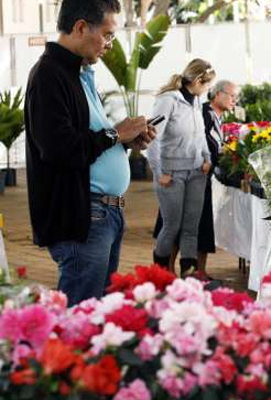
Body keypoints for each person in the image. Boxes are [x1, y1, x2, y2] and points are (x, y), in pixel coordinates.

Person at [24, 0, 156, 306]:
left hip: (103, 215)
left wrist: (125, 142)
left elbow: (87, 140)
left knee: (97, 318)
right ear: (81, 27)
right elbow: (59, 148)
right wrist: (116, 133)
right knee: (80, 320)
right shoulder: (49, 75)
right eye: (108, 35)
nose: (110, 44)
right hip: (82, 217)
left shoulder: (78, 74)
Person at [152, 80, 238, 278]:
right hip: (181, 174)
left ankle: (195, 272)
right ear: (217, 94)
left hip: (199, 178)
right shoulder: (201, 112)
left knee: (197, 226)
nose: (235, 100)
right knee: (176, 225)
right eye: (231, 95)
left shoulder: (216, 116)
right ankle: (166, 270)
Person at [147, 59, 215, 277]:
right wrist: (160, 173)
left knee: (191, 229)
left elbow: (200, 135)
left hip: (197, 173)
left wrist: (207, 158)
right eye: (206, 84)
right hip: (172, 175)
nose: (207, 89)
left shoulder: (196, 101)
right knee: (172, 226)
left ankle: (188, 277)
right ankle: (159, 273)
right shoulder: (168, 101)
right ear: (196, 81)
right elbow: (152, 139)